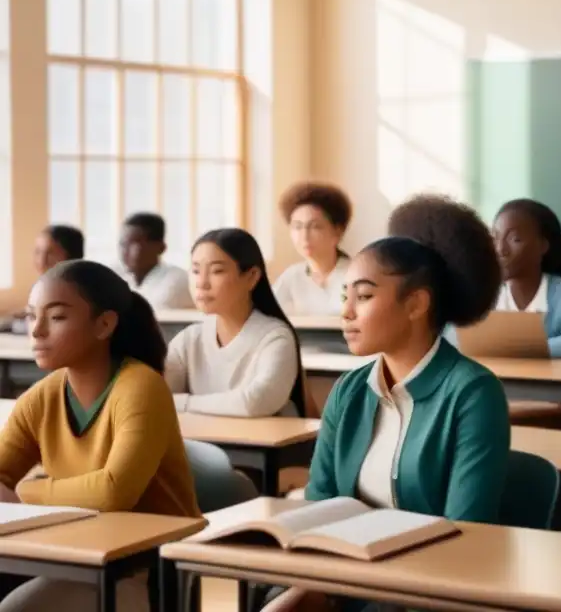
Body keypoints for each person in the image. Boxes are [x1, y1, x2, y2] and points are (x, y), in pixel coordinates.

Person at [271, 196, 510, 611]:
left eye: (362, 297)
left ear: (416, 303)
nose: (345, 312)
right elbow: (319, 502)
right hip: (349, 575)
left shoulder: (473, 393)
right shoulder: (348, 391)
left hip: (429, 587)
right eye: (345, 295)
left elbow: (465, 531)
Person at [0, 260, 200, 611]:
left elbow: (113, 491)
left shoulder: (141, 387)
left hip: (145, 566)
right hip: (69, 549)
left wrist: (27, 491)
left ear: (104, 324)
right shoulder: (41, 397)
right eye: (32, 316)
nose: (37, 331)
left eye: (57, 317)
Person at [166, 228, 306, 417]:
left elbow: (255, 401)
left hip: (263, 444)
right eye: (196, 270)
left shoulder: (275, 336)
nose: (201, 283)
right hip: (206, 441)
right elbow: (159, 395)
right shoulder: (188, 339)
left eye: (217, 271)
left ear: (251, 277)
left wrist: (183, 402)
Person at [491, 199, 561, 359]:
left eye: (514, 239)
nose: (500, 249)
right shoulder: (487, 294)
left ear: (542, 246)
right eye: (495, 238)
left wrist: (517, 349)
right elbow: (454, 338)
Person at [273, 182, 352, 315]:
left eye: (315, 226)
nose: (304, 236)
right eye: (297, 227)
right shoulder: (291, 277)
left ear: (337, 232)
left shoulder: (355, 274)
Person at [119, 212, 193, 310]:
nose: (125, 251)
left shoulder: (176, 280)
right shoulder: (120, 276)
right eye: (123, 244)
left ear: (161, 247)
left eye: (134, 244)